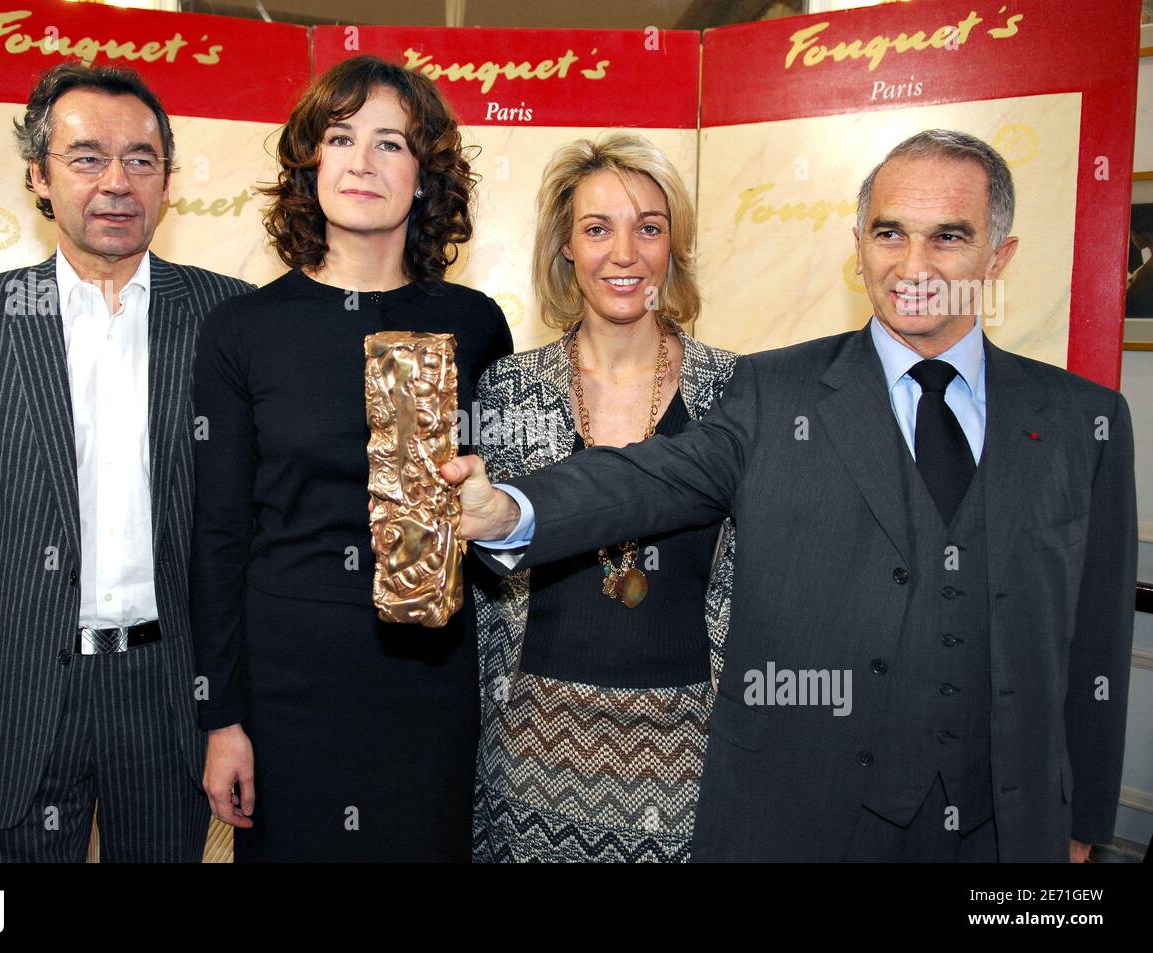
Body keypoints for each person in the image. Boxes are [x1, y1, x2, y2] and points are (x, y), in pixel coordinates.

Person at [448, 129, 1136, 863]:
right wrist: (512, 511)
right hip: (810, 813)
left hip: (1009, 828)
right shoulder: (776, 391)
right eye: (890, 232)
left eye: (949, 238)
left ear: (998, 256)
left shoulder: (1081, 421)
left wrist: (1084, 820)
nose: (913, 265)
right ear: (859, 243)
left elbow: (1098, 637)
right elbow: (651, 476)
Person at [0, 62, 253, 861]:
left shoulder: (227, 314)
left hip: (169, 688)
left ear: (167, 180)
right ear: (39, 174)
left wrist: (237, 709)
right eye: (87, 157)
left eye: (141, 158)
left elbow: (248, 531)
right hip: (21, 692)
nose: (117, 182)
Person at [191, 55, 512, 862]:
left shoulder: (474, 324)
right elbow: (220, 535)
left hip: (429, 676)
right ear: (311, 162)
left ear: (425, 176)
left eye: (391, 143)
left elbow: (506, 517)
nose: (362, 162)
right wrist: (221, 718)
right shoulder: (243, 331)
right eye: (340, 138)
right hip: (288, 682)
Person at [470, 134, 738, 862]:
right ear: (564, 246)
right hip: (530, 755)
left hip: (691, 758)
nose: (625, 253)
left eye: (649, 226)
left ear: (673, 245)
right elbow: (478, 579)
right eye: (597, 228)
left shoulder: (736, 392)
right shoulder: (506, 389)